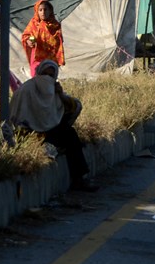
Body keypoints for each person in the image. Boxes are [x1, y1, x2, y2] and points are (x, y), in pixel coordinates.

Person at [9, 59, 97, 191]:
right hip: (29, 134)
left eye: (51, 76)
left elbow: (74, 107)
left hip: (49, 131)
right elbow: (15, 118)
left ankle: (79, 179)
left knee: (70, 135)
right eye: (45, 74)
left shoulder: (53, 91)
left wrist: (60, 94)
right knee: (70, 137)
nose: (47, 78)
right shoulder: (26, 90)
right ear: (38, 74)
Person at [21, 0, 65, 77]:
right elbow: (25, 36)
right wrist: (29, 41)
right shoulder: (33, 23)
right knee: (36, 78)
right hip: (37, 57)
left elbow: (59, 42)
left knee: (49, 80)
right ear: (37, 11)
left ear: (50, 11)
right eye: (40, 10)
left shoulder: (55, 25)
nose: (43, 12)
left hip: (51, 58)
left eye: (45, 9)